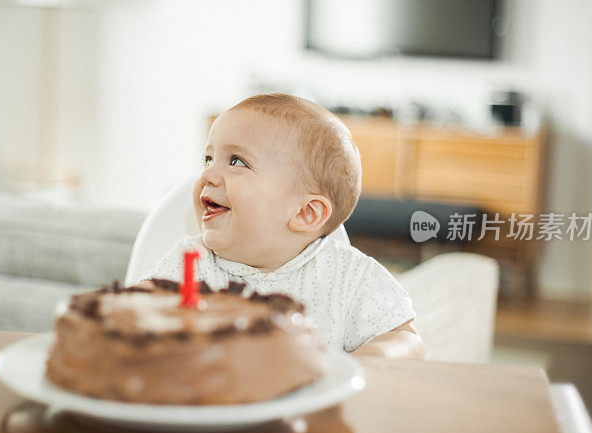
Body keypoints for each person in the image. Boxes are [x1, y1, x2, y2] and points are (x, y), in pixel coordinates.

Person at [145, 93, 424, 359]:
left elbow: (407, 341)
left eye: (236, 161)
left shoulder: (348, 278)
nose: (207, 174)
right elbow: (128, 312)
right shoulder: (191, 265)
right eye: (208, 159)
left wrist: (362, 362)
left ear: (305, 212)